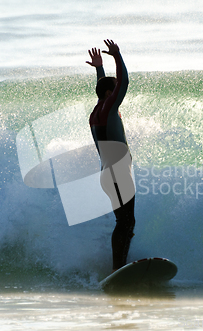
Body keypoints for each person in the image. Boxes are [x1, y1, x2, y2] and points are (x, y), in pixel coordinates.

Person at [86, 40, 136, 272]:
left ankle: (119, 266)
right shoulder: (108, 108)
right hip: (118, 173)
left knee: (124, 222)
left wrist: (99, 68)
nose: (118, 92)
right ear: (109, 93)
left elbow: (102, 88)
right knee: (126, 222)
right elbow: (123, 81)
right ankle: (119, 268)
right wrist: (117, 55)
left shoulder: (97, 111)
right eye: (113, 90)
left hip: (107, 174)